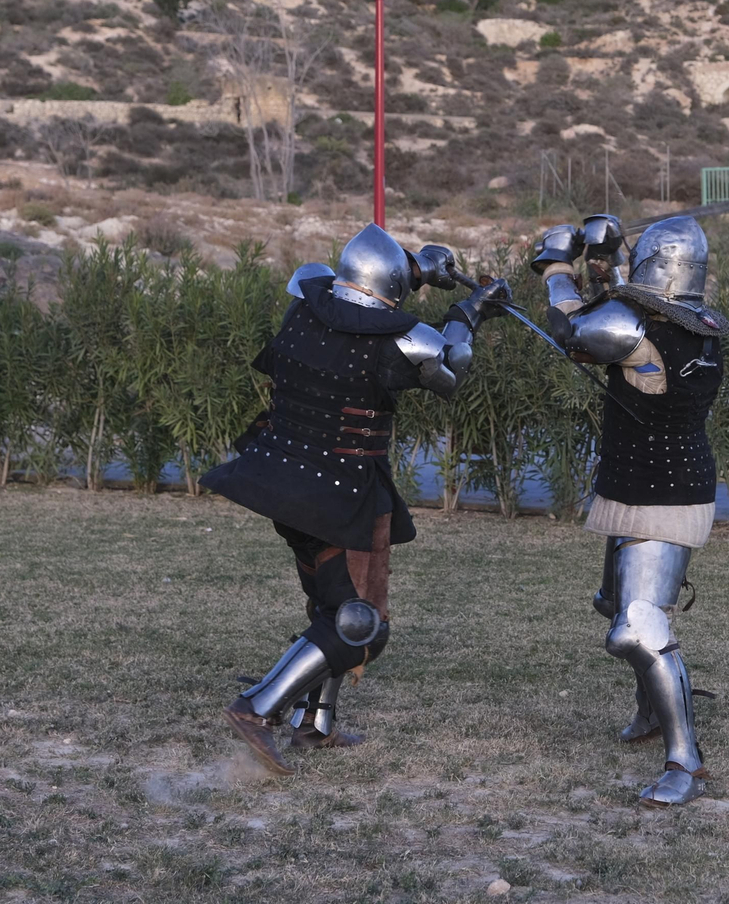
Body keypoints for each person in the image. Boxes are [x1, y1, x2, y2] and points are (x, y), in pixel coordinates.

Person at [200, 224, 509, 775]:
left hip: (282, 480)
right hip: (338, 493)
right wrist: (473, 308)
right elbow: (450, 365)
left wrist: (417, 267)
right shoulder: (394, 344)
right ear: (388, 290)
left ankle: (315, 725)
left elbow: (355, 295)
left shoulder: (306, 303)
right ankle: (258, 708)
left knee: (328, 607)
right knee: (358, 623)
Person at [532, 213, 728, 807]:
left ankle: (685, 760)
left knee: (639, 630)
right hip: (641, 479)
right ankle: (648, 712)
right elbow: (632, 315)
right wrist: (610, 266)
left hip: (662, 492)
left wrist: (556, 269)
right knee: (614, 605)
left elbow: (571, 331)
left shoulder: (632, 326)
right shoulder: (700, 324)